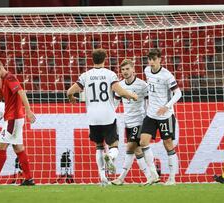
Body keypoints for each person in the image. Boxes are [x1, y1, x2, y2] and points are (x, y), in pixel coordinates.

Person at [66, 49, 138, 186]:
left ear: (92, 59)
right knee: (114, 145)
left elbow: (69, 91)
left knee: (99, 146)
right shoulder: (110, 74)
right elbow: (119, 91)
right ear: (105, 59)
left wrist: (71, 97)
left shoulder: (85, 75)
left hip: (93, 117)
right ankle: (110, 157)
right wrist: (131, 95)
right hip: (108, 115)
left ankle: (103, 178)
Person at [0, 59, 36, 186]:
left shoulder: (10, 78)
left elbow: (21, 92)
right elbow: (0, 98)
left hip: (14, 118)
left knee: (1, 147)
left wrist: (28, 111)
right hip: (11, 118)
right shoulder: (3, 80)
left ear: (0, 67)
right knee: (18, 148)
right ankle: (29, 178)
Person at [139, 48, 182, 185]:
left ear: (160, 60)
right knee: (143, 142)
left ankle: (172, 178)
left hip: (165, 116)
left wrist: (167, 106)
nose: (151, 62)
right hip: (151, 114)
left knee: (168, 144)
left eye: (154, 59)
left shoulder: (167, 75)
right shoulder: (146, 71)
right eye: (149, 59)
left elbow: (178, 94)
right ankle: (153, 175)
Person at [111, 59, 152, 186]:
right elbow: (115, 103)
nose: (125, 72)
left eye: (127, 69)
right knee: (134, 151)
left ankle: (122, 178)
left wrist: (148, 118)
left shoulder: (142, 85)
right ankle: (151, 177)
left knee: (131, 148)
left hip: (139, 121)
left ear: (133, 69)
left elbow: (149, 103)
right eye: (123, 70)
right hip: (127, 122)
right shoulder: (120, 85)